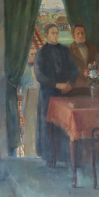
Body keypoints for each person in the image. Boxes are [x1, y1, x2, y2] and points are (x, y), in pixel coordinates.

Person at [35, 24, 78, 166]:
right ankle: (50, 157)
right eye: (52, 33)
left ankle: (66, 156)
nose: (55, 35)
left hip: (65, 92)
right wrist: (56, 85)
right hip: (48, 93)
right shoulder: (41, 53)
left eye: (57, 33)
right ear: (46, 35)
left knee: (65, 124)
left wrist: (70, 84)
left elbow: (74, 69)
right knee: (49, 124)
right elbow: (39, 75)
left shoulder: (65, 50)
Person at [69, 25, 99, 89]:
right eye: (78, 33)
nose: (81, 36)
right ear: (73, 36)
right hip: (76, 85)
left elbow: (97, 64)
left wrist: (92, 73)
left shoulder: (92, 48)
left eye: (82, 33)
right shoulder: (69, 49)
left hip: (90, 83)